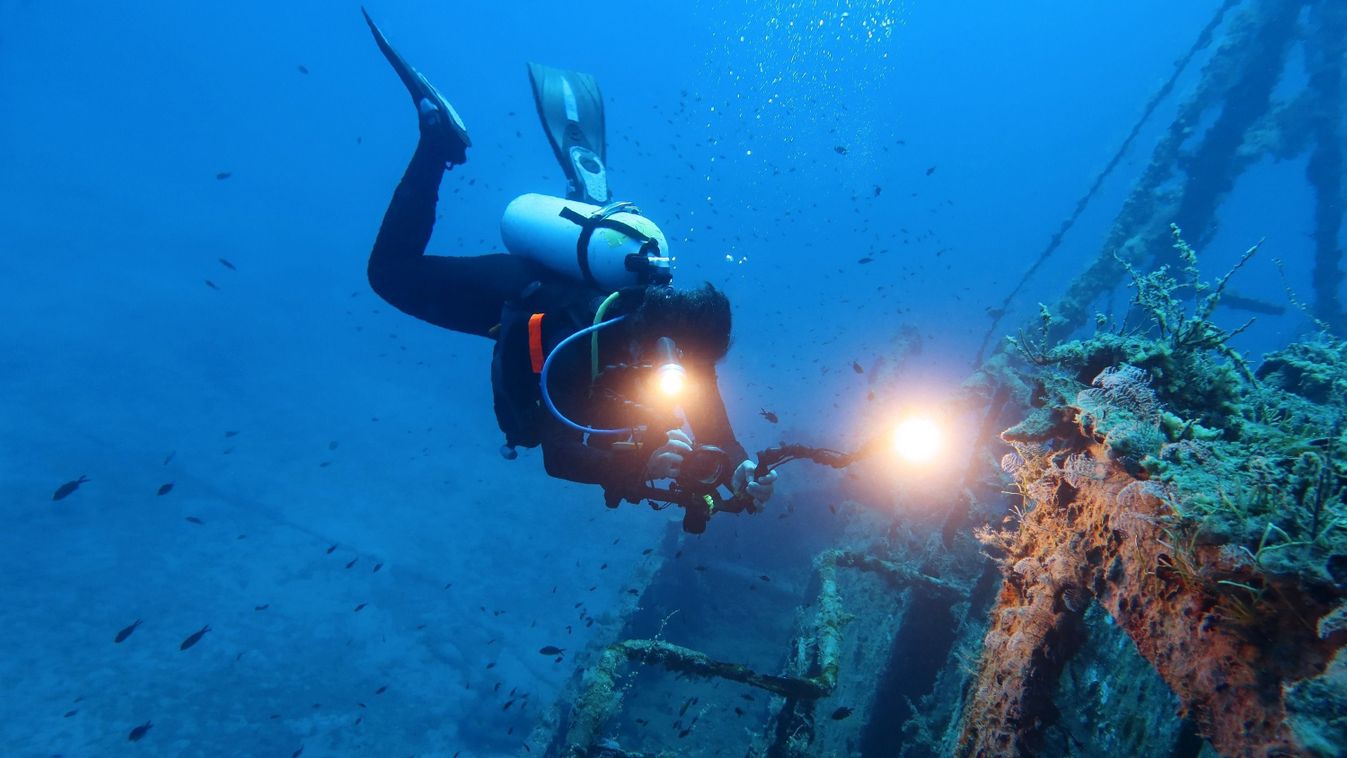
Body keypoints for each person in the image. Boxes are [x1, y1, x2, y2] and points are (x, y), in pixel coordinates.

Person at [360, 11, 777, 529]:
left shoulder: (681, 339)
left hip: (589, 280)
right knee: (389, 273)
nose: (692, 377)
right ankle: (437, 142)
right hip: (523, 295)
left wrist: (738, 464)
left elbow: (711, 418)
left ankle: (589, 204)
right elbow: (556, 454)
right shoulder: (584, 338)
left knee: (602, 268)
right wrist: (638, 461)